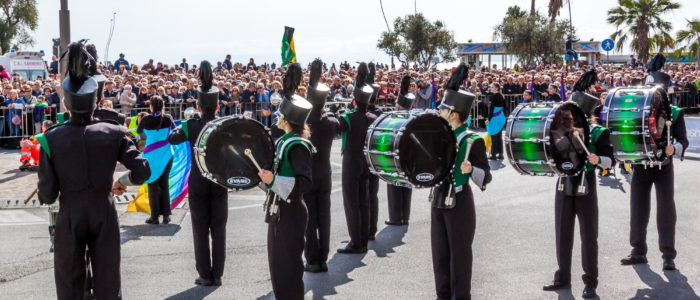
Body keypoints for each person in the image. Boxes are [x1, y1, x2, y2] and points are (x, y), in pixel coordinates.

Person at [37, 41, 150, 300]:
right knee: (108, 281)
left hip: (70, 213)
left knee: (69, 282)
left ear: (67, 103)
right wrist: (123, 179)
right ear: (96, 101)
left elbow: (48, 193)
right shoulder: (115, 132)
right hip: (103, 208)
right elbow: (143, 171)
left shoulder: (50, 139)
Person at [543, 71, 612, 299]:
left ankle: (590, 282)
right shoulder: (558, 131)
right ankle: (562, 277)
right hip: (564, 185)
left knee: (588, 236)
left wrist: (598, 160)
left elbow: (610, 161)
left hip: (586, 185)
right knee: (562, 233)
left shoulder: (599, 132)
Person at [621, 54, 689, 271]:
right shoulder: (638, 112)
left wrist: (674, 148)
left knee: (666, 210)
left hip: (664, 166)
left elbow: (683, 140)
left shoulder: (675, 112)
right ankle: (638, 251)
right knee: (638, 209)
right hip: (642, 164)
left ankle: (668, 255)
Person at [431, 63, 491, 300]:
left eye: (443, 109)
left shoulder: (472, 140)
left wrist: (471, 168)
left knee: (460, 255)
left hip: (460, 200)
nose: (439, 111)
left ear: (454, 113)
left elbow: (486, 175)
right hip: (438, 198)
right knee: (439, 254)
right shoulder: (439, 135)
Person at [168, 61, 228, 286]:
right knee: (219, 229)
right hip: (219, 180)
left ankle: (205, 274)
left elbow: (172, 138)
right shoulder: (224, 124)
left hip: (198, 179)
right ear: (217, 106)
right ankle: (218, 273)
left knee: (200, 228)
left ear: (200, 107)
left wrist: (187, 121)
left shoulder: (191, 125)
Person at [257, 63, 313, 299]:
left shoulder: (298, 144)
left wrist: (273, 181)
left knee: (289, 271)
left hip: (290, 213)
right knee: (278, 270)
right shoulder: (284, 140)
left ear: (287, 120)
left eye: (280, 116)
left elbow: (304, 183)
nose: (277, 118)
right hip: (278, 211)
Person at [302, 59, 339, 273]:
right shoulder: (331, 121)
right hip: (325, 174)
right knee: (324, 218)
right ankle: (323, 257)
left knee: (310, 220)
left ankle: (312, 258)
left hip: (308, 175)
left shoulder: (305, 123)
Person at [337, 62, 376, 254]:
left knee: (351, 203)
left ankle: (355, 242)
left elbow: (336, 126)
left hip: (351, 162)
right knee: (364, 201)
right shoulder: (372, 118)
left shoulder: (348, 118)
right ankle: (363, 238)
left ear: (354, 102)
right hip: (366, 163)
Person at [137, 96, 174, 224]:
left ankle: (154, 217)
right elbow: (174, 129)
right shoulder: (168, 118)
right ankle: (166, 215)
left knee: (152, 184)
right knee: (164, 184)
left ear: (151, 106)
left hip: (151, 155)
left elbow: (139, 131)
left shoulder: (146, 119)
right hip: (167, 154)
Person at [385, 75, 414, 226]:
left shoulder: (393, 120)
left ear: (397, 106)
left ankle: (396, 218)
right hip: (409, 159)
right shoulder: (413, 119)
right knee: (407, 185)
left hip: (396, 157)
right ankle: (405, 217)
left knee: (395, 185)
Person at [366, 62, 381, 240]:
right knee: (373, 195)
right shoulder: (379, 114)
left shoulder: (364, 115)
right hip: (375, 160)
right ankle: (372, 229)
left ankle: (366, 229)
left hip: (364, 158)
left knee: (364, 197)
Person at [486, 82, 505, 160]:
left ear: (497, 88)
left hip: (495, 117)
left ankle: (493, 154)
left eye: (492, 87)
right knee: (499, 136)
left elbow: (491, 109)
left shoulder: (494, 96)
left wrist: (488, 119)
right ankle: (500, 154)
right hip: (500, 116)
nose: (491, 88)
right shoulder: (501, 96)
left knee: (494, 135)